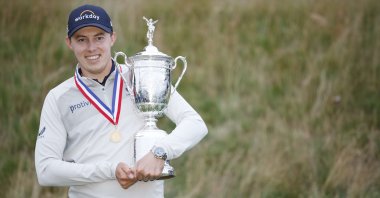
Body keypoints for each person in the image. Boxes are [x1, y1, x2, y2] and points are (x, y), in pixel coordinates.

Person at [34, 4, 208, 198]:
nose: (92, 48)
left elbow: (196, 124)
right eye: (82, 40)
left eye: (99, 38)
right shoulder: (58, 97)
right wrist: (110, 170)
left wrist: (161, 151)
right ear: (69, 43)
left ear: (112, 38)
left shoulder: (142, 76)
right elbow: (46, 170)